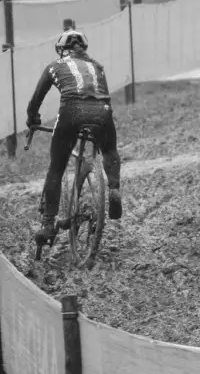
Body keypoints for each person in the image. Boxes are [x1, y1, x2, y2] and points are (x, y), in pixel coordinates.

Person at [26, 29, 122, 241]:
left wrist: (32, 119)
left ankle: (48, 224)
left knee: (56, 168)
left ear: (62, 51)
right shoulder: (97, 66)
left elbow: (36, 100)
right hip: (102, 112)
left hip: (72, 112)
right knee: (109, 150)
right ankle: (114, 188)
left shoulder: (54, 66)